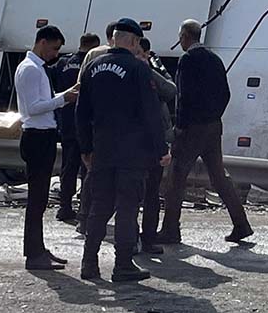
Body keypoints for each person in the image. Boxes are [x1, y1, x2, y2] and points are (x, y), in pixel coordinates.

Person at [76, 18, 169, 282]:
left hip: (102, 148)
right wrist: (161, 148)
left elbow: (81, 112)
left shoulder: (92, 67)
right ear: (133, 41)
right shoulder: (138, 69)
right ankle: (123, 264)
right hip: (132, 151)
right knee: (128, 207)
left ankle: (89, 263)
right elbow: (151, 113)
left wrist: (86, 147)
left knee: (100, 206)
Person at [158, 19, 253, 245]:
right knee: (219, 177)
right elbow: (226, 93)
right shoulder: (215, 59)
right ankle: (241, 224)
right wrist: (214, 115)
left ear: (184, 37)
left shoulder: (187, 60)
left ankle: (171, 229)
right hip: (213, 126)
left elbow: (183, 96)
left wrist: (179, 126)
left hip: (191, 128)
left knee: (176, 178)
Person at [14, 25, 79, 270]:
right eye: (53, 48)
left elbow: (42, 102)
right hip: (37, 137)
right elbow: (33, 107)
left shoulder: (37, 69)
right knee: (37, 199)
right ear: (42, 42)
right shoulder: (30, 69)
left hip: (44, 135)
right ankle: (33, 254)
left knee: (40, 199)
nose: (55, 54)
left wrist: (65, 94)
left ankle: (38, 248)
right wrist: (63, 100)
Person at [134, 36, 176, 255]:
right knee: (137, 193)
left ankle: (146, 237)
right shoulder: (141, 72)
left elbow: (169, 89)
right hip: (143, 142)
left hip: (144, 142)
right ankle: (136, 238)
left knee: (149, 193)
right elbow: (170, 90)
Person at [54, 32, 99, 224]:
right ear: (94, 47)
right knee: (87, 167)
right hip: (85, 123)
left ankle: (64, 206)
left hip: (66, 122)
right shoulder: (92, 65)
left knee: (68, 166)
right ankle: (84, 208)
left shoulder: (63, 63)